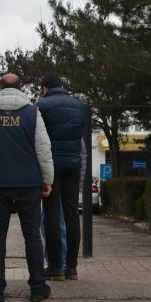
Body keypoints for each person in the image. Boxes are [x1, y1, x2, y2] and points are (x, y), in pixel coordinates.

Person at [0, 73, 54, 302]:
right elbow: (43, 150)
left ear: (0, 88)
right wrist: (47, 180)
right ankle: (37, 287)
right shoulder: (32, 112)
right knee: (32, 236)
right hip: (28, 183)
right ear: (20, 88)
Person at [37, 73, 86, 281]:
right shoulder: (79, 106)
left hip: (52, 166)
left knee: (51, 215)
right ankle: (72, 267)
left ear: (44, 88)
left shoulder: (42, 106)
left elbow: (38, 138)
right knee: (72, 214)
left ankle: (55, 267)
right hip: (73, 166)